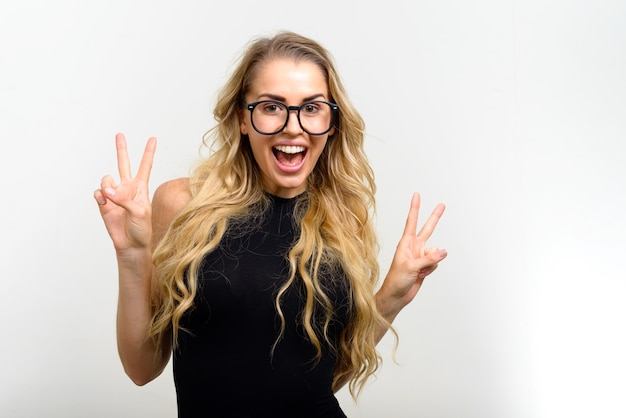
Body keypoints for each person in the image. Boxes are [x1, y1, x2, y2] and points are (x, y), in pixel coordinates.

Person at [94, 31, 447, 418]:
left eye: (311, 109)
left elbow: (319, 380)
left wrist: (391, 299)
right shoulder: (182, 205)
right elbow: (142, 368)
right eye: (272, 107)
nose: (293, 127)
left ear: (331, 124)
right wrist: (131, 255)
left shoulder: (341, 219)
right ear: (243, 119)